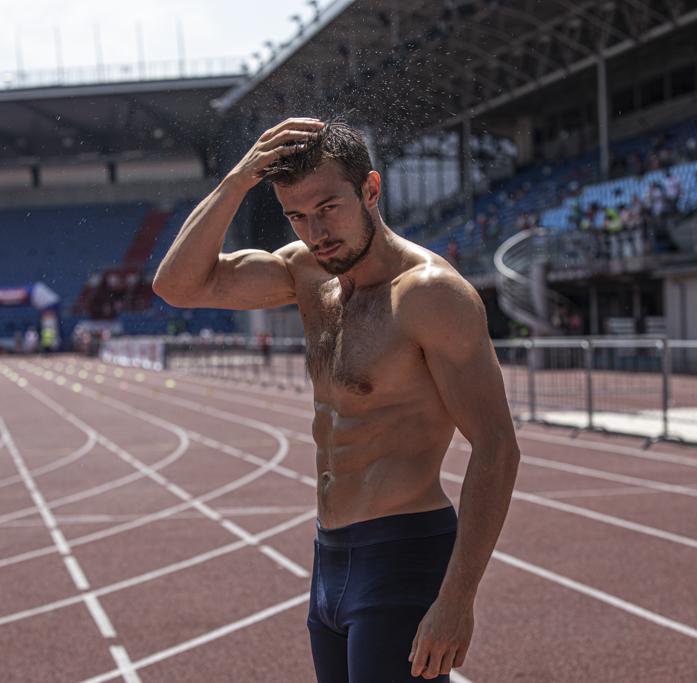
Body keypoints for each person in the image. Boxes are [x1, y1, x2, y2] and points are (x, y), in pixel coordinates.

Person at [152, 118, 520, 682]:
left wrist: (457, 599)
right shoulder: (307, 274)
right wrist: (235, 182)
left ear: (371, 190)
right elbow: (177, 286)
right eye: (296, 216)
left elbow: (496, 446)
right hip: (329, 557)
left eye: (328, 207)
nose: (315, 231)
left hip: (403, 556)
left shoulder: (429, 295)